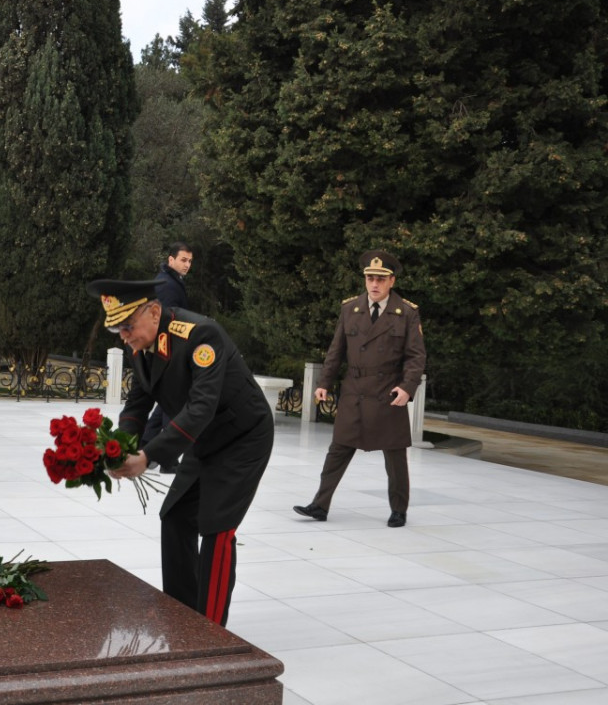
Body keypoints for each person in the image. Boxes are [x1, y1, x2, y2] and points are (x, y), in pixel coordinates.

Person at [89, 278, 273, 626]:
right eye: (118, 331)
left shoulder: (201, 335)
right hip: (204, 440)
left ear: (154, 311)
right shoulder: (141, 344)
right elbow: (138, 402)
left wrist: (148, 456)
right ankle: (182, 616)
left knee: (217, 528)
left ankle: (211, 630)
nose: (125, 336)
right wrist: (121, 447)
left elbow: (201, 408)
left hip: (242, 438)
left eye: (128, 326)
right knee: (175, 517)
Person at [293, 250, 426, 528]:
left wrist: (407, 387)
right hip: (355, 390)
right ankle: (320, 505)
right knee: (338, 450)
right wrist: (324, 384)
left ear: (391, 281)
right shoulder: (350, 309)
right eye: (370, 278)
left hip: (387, 391)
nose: (374, 284)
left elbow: (416, 356)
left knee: (395, 455)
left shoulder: (406, 313)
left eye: (380, 279)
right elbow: (336, 350)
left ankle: (398, 510)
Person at [142, 242, 194, 469]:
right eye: (183, 260)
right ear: (171, 259)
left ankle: (145, 447)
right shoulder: (167, 284)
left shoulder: (171, 281)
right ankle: (167, 459)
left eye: (190, 261)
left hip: (168, 352)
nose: (187, 265)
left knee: (165, 405)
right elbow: (167, 321)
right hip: (168, 352)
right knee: (173, 406)